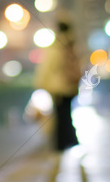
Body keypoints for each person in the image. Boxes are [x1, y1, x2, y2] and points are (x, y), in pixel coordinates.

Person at [33, 21, 82, 150]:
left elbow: (47, 68)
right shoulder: (72, 45)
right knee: (66, 113)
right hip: (71, 86)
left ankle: (62, 143)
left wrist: (40, 84)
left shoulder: (56, 47)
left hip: (59, 87)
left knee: (61, 116)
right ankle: (71, 140)